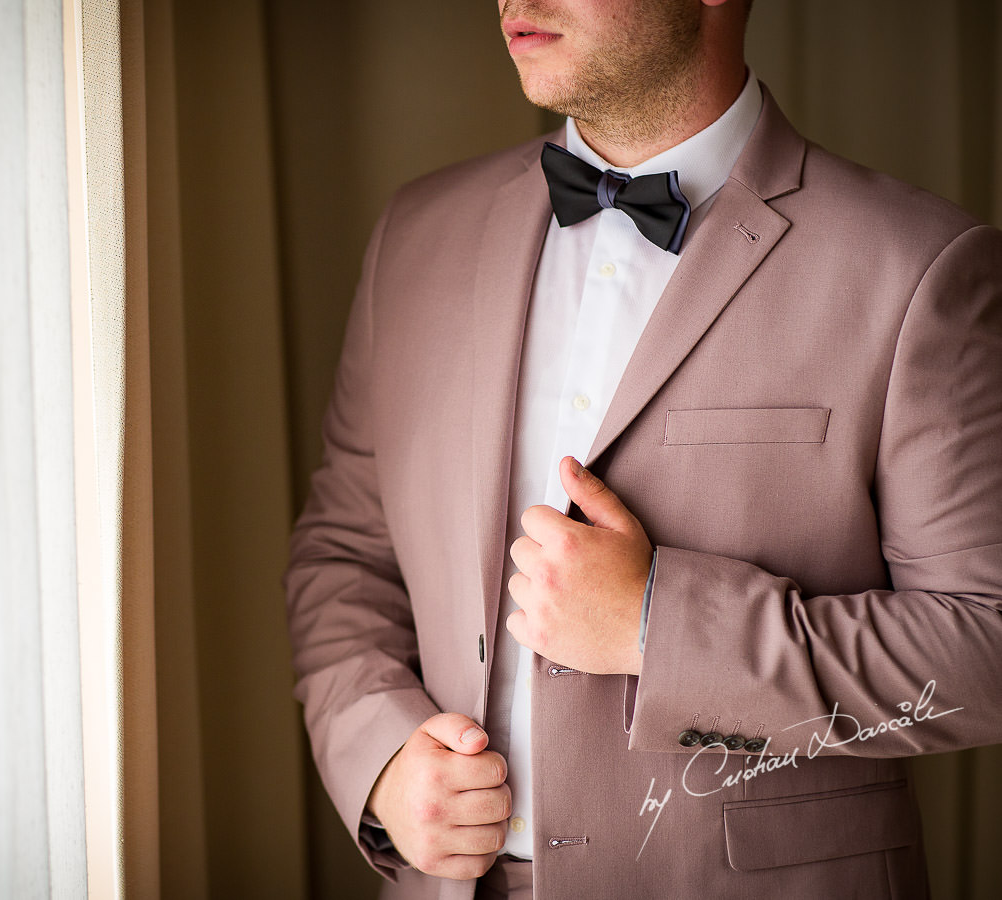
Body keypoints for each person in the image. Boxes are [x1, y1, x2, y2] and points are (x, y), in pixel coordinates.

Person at [284, 0, 1002, 897]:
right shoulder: (416, 235)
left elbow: (986, 639)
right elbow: (344, 556)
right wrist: (378, 755)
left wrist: (659, 629)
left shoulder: (919, 266)